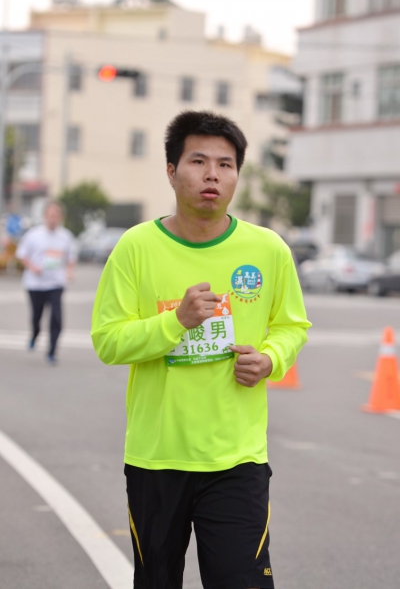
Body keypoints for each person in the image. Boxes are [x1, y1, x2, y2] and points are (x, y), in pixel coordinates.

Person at [91, 111, 311, 589]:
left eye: (225, 164)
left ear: (237, 175)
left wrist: (271, 359)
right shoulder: (136, 247)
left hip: (237, 460)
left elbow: (292, 326)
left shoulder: (268, 249)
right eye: (198, 161)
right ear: (171, 172)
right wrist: (176, 322)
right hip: (157, 458)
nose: (212, 174)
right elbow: (108, 340)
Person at [16, 200, 76, 364]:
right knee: (37, 316)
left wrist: (70, 271)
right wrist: (32, 267)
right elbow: (21, 255)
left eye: (56, 215)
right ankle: (34, 334)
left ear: (61, 217)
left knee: (56, 317)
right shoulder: (33, 235)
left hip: (56, 284)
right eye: (50, 215)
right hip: (35, 284)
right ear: (45, 216)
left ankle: (52, 352)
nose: (53, 218)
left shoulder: (66, 236)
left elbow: (71, 258)